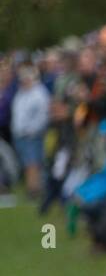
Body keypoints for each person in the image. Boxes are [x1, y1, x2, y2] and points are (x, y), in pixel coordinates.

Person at [10, 62, 51, 198]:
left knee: (32, 163)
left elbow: (42, 115)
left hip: (32, 135)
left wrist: (33, 130)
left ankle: (34, 190)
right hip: (20, 134)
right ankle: (31, 188)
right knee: (27, 163)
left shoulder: (39, 93)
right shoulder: (22, 92)